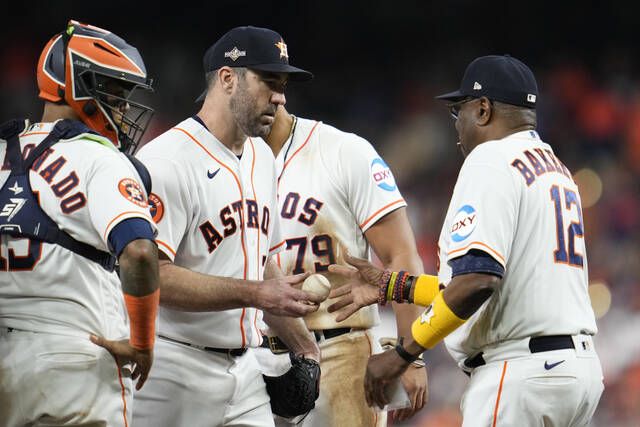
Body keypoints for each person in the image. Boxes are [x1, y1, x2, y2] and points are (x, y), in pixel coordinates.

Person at [328, 55, 604, 426]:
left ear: (484, 109)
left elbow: (478, 281)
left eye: (460, 111)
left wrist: (405, 353)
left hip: (520, 376)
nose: (457, 125)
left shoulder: (491, 158)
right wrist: (394, 286)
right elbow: (482, 285)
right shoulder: (558, 169)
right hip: (575, 373)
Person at [132, 26, 323, 427]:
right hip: (171, 368)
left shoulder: (261, 157)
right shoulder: (166, 160)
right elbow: (152, 277)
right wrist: (258, 295)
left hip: (247, 370)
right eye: (269, 81)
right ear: (227, 78)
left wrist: (305, 347)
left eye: (284, 83)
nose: (281, 96)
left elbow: (262, 267)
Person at [0, 20, 159, 426]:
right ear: (79, 86)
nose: (123, 109)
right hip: (77, 358)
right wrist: (142, 343)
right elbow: (139, 252)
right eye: (115, 94)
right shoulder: (99, 157)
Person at [260, 105, 428, 426]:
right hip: (251, 357)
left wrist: (411, 356)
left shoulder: (342, 152)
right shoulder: (225, 159)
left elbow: (400, 254)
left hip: (338, 351)